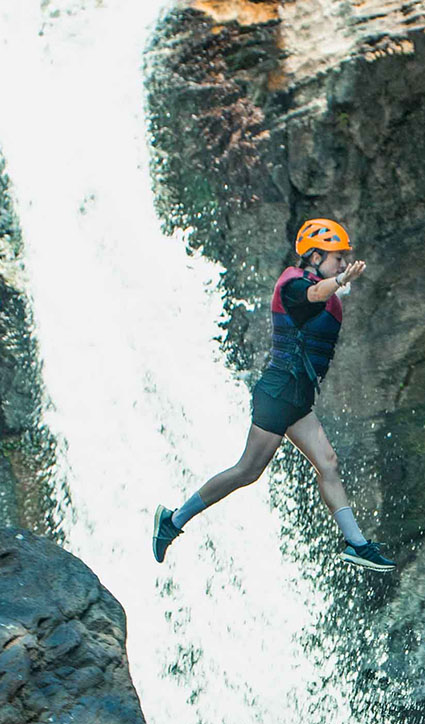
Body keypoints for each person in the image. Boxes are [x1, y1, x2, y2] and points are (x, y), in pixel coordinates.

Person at [152, 218, 395, 572]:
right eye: (336, 258)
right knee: (247, 470)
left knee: (327, 462)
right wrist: (341, 281)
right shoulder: (293, 284)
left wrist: (337, 282)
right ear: (314, 256)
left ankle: (357, 544)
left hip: (296, 399)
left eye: (343, 260)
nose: (342, 264)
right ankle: (172, 521)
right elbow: (311, 296)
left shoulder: (320, 286)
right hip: (278, 393)